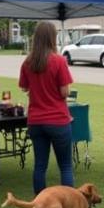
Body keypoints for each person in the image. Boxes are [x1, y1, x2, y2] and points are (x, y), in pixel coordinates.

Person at [18, 22, 74, 194]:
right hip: (57, 120)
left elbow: (24, 87)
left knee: (40, 166)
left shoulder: (28, 62)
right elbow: (64, 92)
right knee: (65, 166)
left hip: (36, 121)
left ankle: (40, 204)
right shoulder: (58, 61)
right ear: (52, 37)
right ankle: (67, 204)